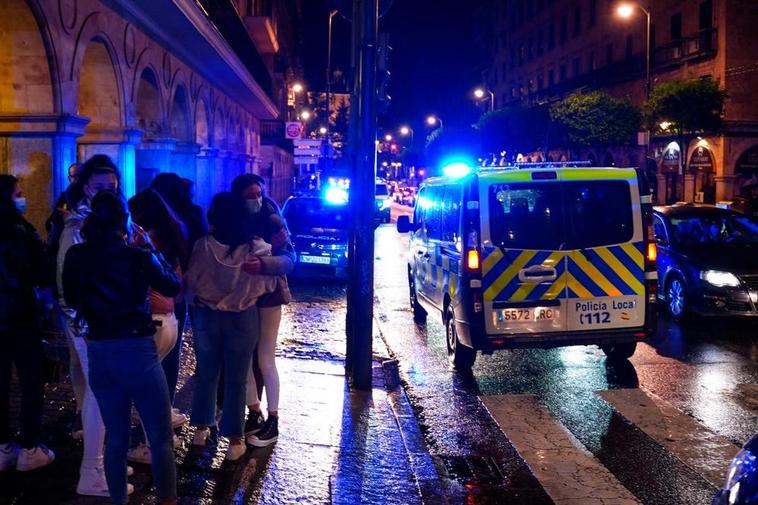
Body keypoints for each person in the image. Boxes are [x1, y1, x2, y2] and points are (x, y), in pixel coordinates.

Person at [63, 190, 180, 505]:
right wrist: (150, 247)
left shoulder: (77, 255)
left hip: (100, 351)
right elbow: (172, 285)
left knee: (115, 438)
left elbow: (72, 298)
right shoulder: (137, 255)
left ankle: (118, 500)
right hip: (137, 351)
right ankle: (167, 500)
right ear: (124, 221)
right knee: (159, 436)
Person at [185, 192, 277, 461]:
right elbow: (267, 284)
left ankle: (201, 429)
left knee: (207, 372)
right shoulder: (255, 249)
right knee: (237, 378)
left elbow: (192, 282)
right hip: (243, 316)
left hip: (206, 315)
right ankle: (235, 441)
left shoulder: (203, 246)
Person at [56, 154, 122, 496]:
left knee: (104, 393)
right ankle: (91, 472)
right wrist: (80, 324)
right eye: (99, 188)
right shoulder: (76, 227)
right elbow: (66, 285)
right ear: (84, 188)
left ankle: (104, 462)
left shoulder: (109, 224)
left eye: (112, 187)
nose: (107, 193)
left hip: (104, 324)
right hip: (88, 326)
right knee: (100, 392)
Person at [230, 174, 294, 447]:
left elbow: (291, 259)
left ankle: (273, 420)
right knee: (243, 358)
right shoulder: (230, 221)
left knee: (266, 356)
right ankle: (254, 412)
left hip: (268, 297)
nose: (256, 199)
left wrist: (267, 261)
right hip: (241, 297)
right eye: (250, 195)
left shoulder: (273, 217)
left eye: (259, 193)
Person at [126, 188, 189, 463]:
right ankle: (162, 437)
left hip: (153, 319)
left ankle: (152, 446)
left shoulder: (144, 244)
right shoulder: (173, 233)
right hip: (170, 316)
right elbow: (177, 280)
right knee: (161, 381)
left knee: (145, 387)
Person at [0, 175, 55, 472]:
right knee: (31, 382)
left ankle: (3, 446)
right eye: (19, 194)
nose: (23, 198)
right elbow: (41, 271)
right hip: (21, 316)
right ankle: (30, 447)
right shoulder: (22, 232)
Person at [151, 173, 207, 428]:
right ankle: (164, 408)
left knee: (158, 354)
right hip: (182, 289)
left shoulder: (154, 222)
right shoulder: (191, 215)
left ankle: (156, 411)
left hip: (159, 291)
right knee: (170, 352)